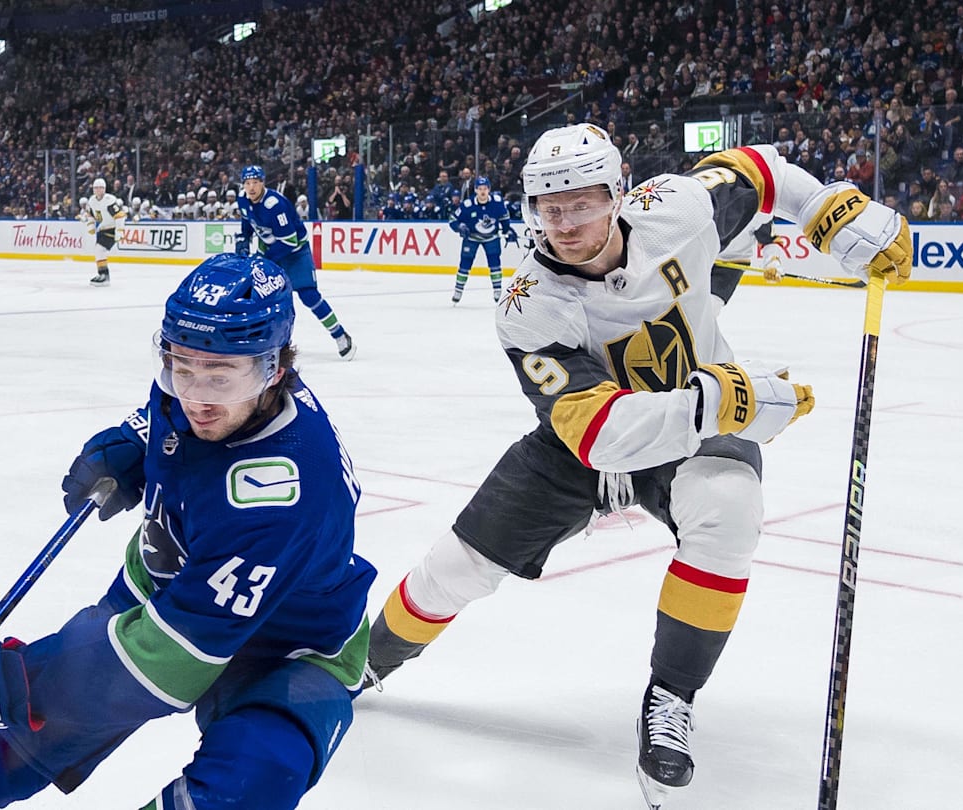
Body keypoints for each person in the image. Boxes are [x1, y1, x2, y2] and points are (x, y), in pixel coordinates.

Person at [362, 124, 910, 808]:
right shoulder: (527, 304)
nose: (565, 223)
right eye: (548, 208)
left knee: (730, 509)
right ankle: (365, 661)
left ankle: (672, 697)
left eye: (583, 203)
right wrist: (720, 403)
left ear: (618, 192)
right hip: (582, 449)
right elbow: (598, 435)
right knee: (454, 570)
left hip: (690, 430)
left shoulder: (675, 206)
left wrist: (830, 206)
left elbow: (754, 171)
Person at [0, 253, 376, 810]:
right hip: (162, 591)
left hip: (293, 648)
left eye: (222, 376)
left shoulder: (286, 494)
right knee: (13, 742)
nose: (197, 398)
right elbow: (164, 410)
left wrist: (9, 682)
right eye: (182, 367)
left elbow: (171, 658)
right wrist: (132, 442)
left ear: (275, 368)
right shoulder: (205, 383)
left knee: (253, 777)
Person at [236, 165, 355, 360]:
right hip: (269, 250)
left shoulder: (275, 205)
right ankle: (257, 340)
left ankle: (340, 335)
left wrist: (264, 259)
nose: (251, 188)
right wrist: (243, 239)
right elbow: (248, 221)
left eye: (255, 183)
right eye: (247, 183)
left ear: (263, 183)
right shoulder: (243, 199)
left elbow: (289, 242)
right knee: (255, 294)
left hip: (295, 253)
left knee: (309, 296)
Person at [447, 176, 521, 304]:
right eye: (480, 189)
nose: (482, 191)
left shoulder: (497, 202)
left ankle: (497, 290)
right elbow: (453, 219)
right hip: (471, 238)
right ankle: (458, 290)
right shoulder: (468, 204)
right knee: (465, 264)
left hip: (491, 237)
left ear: (489, 189)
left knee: (495, 264)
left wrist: (507, 229)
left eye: (485, 188)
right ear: (475, 190)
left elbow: (504, 217)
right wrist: (460, 227)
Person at [79, 178, 126, 287]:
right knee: (98, 251)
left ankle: (104, 275)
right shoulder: (92, 201)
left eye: (101, 188)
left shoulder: (109, 200)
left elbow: (120, 216)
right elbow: (90, 214)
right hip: (102, 229)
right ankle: (102, 274)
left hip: (112, 228)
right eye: (96, 188)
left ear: (104, 189)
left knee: (100, 249)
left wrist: (119, 230)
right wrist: (91, 225)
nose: (98, 190)